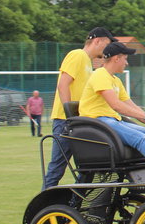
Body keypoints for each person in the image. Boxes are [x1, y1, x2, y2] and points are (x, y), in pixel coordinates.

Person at [78, 41, 145, 177]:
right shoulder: (100, 75)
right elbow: (116, 105)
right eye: (125, 59)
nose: (126, 63)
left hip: (112, 121)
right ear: (117, 58)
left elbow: (132, 107)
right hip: (97, 123)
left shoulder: (115, 81)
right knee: (139, 138)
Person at [43, 27, 116, 189]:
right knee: (57, 168)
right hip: (66, 121)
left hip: (79, 123)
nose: (108, 49)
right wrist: (70, 118)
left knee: (88, 167)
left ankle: (73, 204)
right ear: (98, 41)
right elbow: (63, 85)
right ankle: (42, 207)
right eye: (107, 44)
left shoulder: (88, 63)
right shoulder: (77, 55)